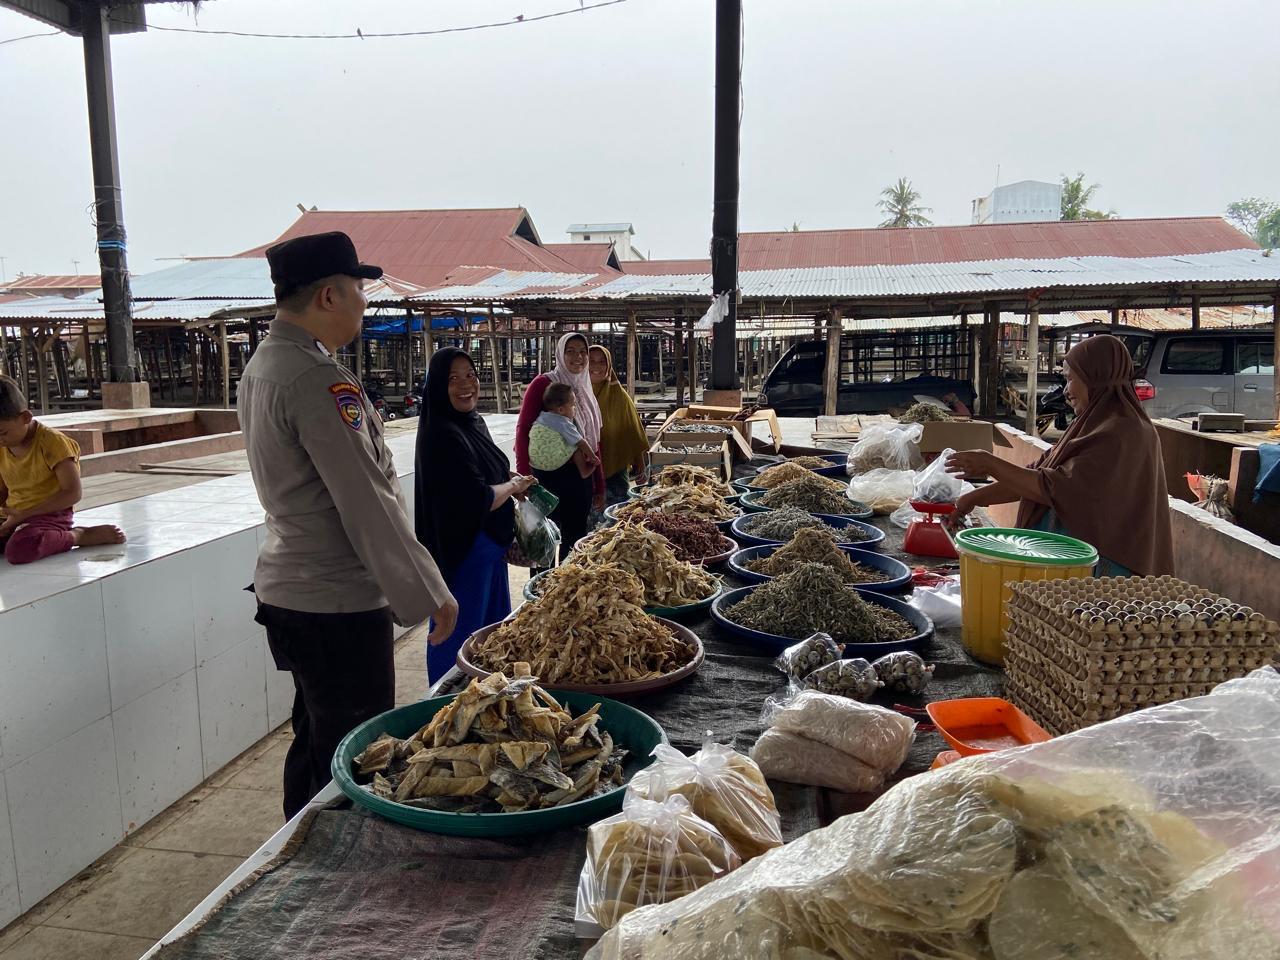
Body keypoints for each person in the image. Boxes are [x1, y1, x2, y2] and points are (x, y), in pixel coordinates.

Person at [238, 231, 457, 820]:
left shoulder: (265, 363)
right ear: (329, 296)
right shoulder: (315, 379)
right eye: (359, 289)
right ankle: (329, 873)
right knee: (353, 753)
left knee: (314, 737)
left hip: (291, 588)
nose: (366, 302)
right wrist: (429, 590)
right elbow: (366, 499)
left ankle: (297, 852)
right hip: (333, 598)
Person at [947, 334, 1174, 577]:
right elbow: (1036, 478)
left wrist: (990, 464)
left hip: (1105, 567)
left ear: (1093, 377)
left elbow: (1055, 487)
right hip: (1068, 560)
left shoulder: (1125, 432)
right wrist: (971, 499)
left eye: (1070, 379)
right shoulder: (1089, 424)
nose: (1066, 391)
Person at [414, 347, 536, 681]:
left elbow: (485, 473)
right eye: (453, 378)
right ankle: (444, 706)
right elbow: (477, 498)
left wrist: (511, 479)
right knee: (458, 638)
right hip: (462, 554)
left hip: (488, 552)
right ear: (438, 386)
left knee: (489, 636)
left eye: (470, 375)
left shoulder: (471, 423)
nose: (465, 384)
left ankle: (487, 703)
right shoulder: (441, 433)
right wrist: (512, 488)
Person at [0, 375, 124, 563]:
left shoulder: (53, 443)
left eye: (3, 433)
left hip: (49, 515)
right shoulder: (2, 446)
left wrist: (24, 515)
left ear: (25, 417)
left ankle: (77, 536)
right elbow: (3, 491)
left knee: (19, 551)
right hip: (14, 515)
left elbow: (72, 493)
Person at [515, 332, 604, 559]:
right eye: (571, 351)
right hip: (546, 477)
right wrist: (524, 476)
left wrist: (599, 484)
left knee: (574, 539)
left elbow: (593, 440)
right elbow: (524, 429)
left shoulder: (585, 389)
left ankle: (565, 588)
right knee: (542, 538)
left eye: (583, 352)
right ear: (560, 353)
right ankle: (540, 588)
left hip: (578, 479)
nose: (578, 357)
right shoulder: (544, 383)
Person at [588, 344, 649, 505]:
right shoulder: (574, 394)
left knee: (613, 521)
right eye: (591, 361)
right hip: (583, 473)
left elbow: (632, 432)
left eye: (602, 362)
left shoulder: (619, 396)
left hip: (615, 471)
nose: (596, 366)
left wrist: (641, 466)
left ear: (609, 366)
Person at [529, 382, 598, 479]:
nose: (575, 409)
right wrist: (593, 457)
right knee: (576, 444)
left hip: (535, 463)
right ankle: (584, 471)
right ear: (561, 410)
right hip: (552, 463)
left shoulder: (541, 417)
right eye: (573, 405)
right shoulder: (564, 423)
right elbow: (581, 442)